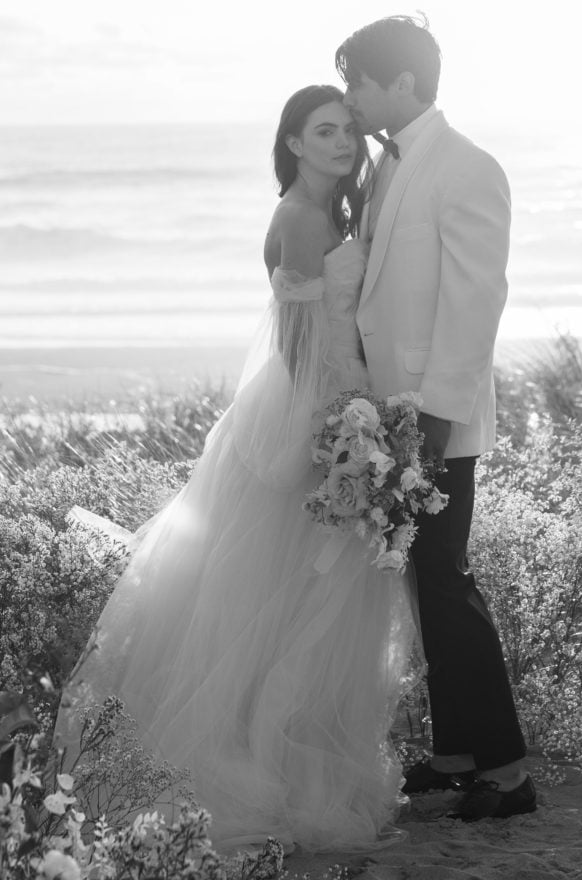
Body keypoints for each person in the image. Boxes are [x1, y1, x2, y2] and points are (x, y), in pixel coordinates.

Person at [54, 85, 422, 853]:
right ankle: (262, 763)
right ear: (291, 141)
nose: (342, 142)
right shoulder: (299, 216)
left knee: (295, 602)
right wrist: (339, 429)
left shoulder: (332, 211)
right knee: (276, 598)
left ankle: (281, 747)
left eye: (348, 130)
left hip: (336, 403)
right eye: (324, 131)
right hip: (307, 416)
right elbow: (297, 342)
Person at [335, 15, 536, 821]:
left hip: (435, 419)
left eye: (360, 81)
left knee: (447, 583)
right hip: (393, 418)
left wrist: (442, 414)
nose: (352, 97)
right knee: (428, 583)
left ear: (403, 85)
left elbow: (477, 300)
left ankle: (510, 774)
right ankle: (457, 754)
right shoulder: (388, 165)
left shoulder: (467, 167)